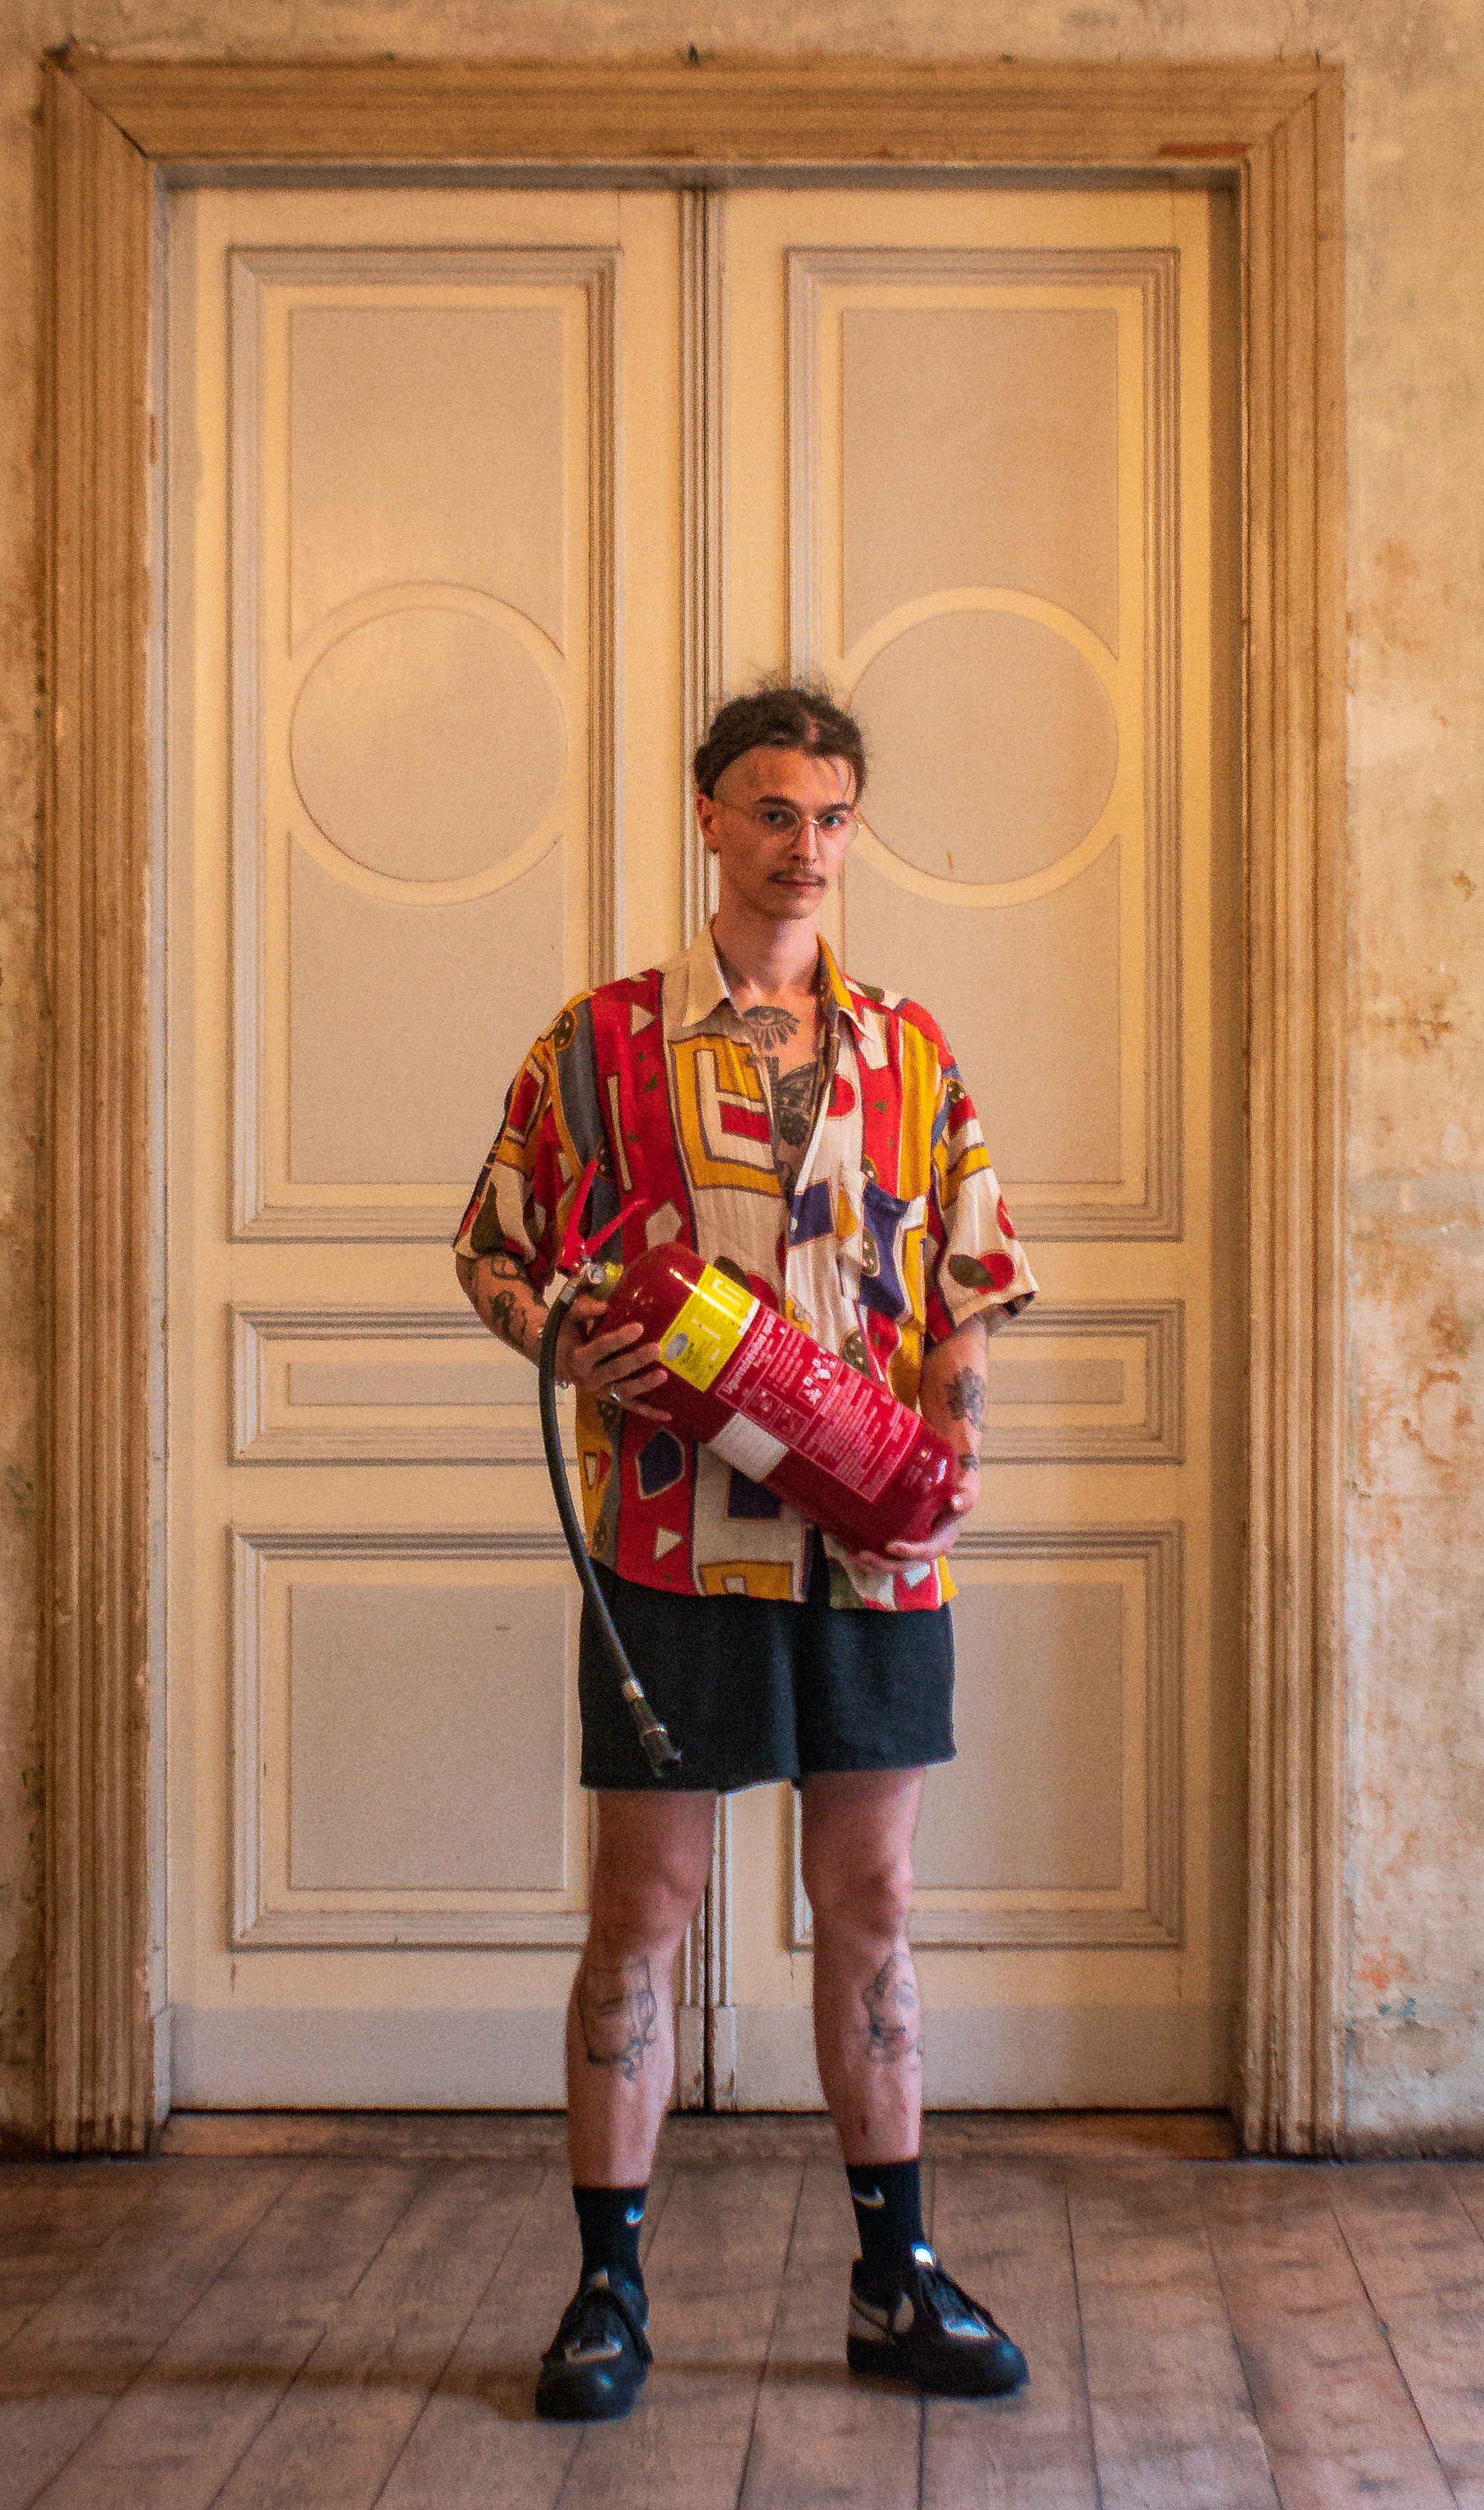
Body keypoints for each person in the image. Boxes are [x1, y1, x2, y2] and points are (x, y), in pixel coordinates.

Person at [454, 683, 1036, 2420]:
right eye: (774, 811)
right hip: (664, 1543)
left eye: (833, 817)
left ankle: (893, 2281)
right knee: (644, 1914)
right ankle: (606, 2295)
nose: (806, 848)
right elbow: (493, 1247)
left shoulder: (911, 1049)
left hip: (870, 1559)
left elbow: (967, 1284)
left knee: (870, 1908)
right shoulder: (596, 1045)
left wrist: (961, 1436)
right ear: (706, 818)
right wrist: (559, 1343)